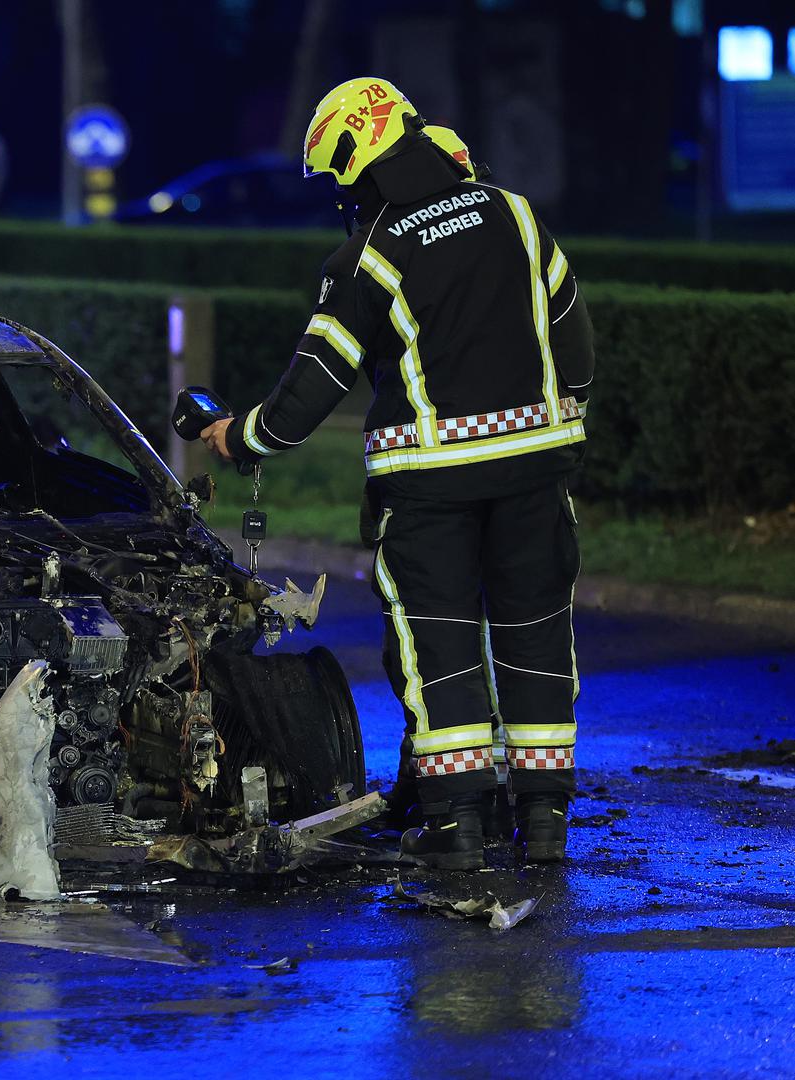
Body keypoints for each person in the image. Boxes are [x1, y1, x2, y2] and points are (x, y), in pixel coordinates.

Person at [200, 78, 593, 869]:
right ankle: (544, 822)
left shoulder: (370, 254)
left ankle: (456, 830)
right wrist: (545, 424)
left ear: (354, 162)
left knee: (438, 651)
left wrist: (239, 438)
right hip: (535, 475)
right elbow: (572, 343)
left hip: (429, 490)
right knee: (536, 637)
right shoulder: (515, 214)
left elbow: (311, 388)